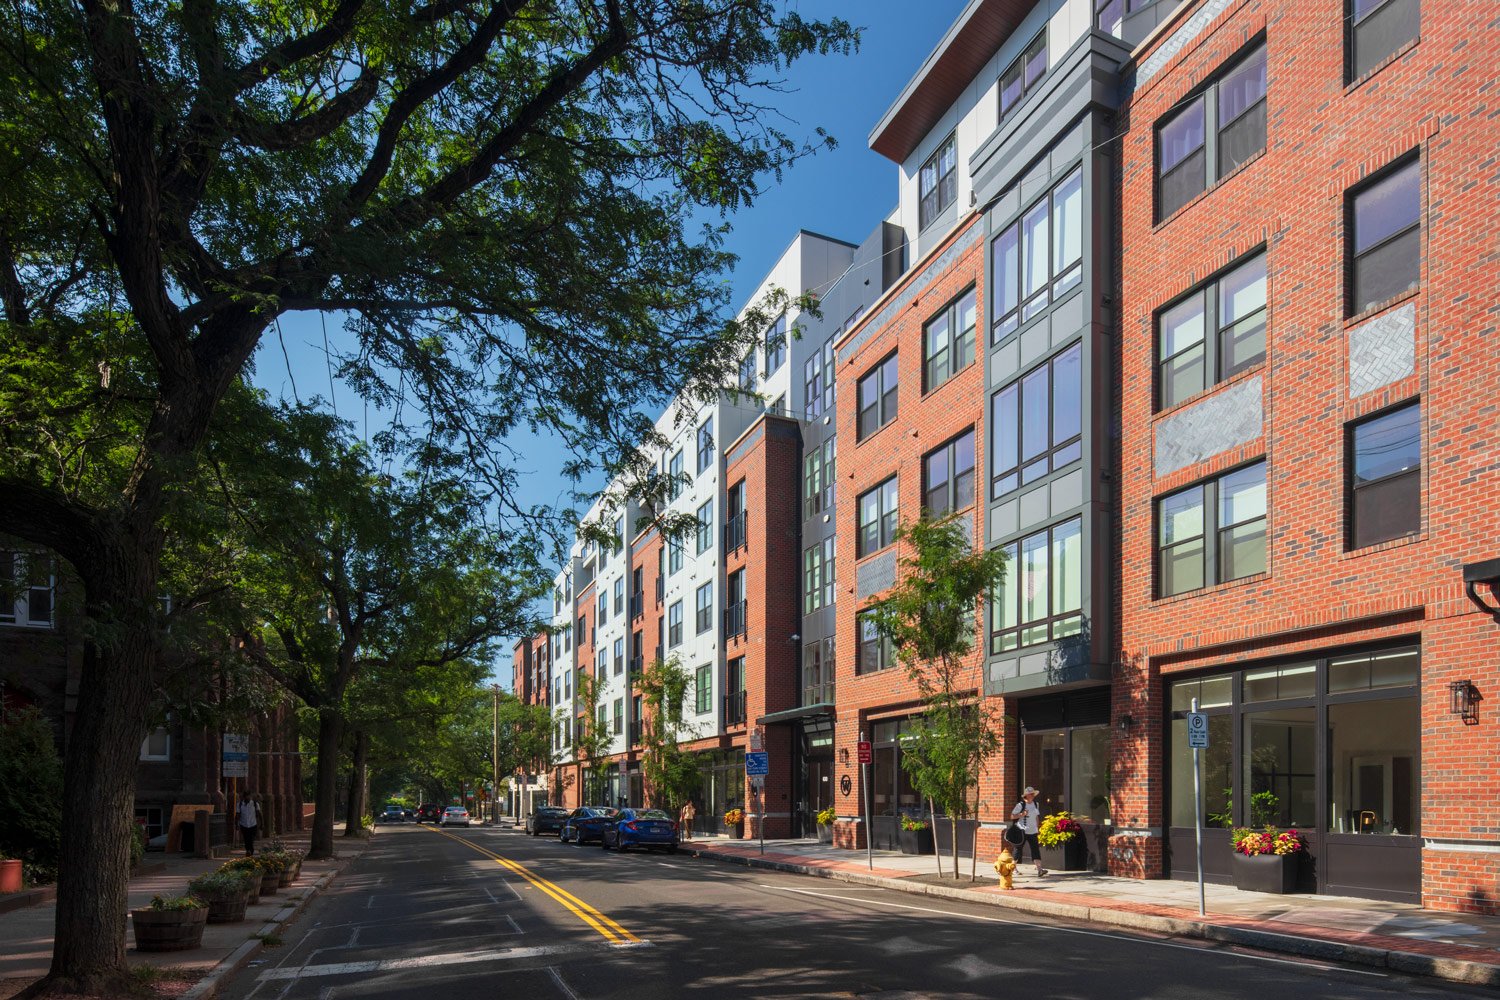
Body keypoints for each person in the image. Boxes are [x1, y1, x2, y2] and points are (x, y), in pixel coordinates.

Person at [1010, 786, 1046, 877]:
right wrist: (1022, 814)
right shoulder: (1020, 805)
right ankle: (1013, 868)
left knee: (1035, 850)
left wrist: (1038, 828)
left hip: (1033, 831)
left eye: (1033, 794)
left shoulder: (1036, 804)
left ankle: (1039, 870)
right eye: (1031, 794)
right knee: (1018, 849)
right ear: (1026, 795)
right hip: (1022, 830)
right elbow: (1012, 816)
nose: (1033, 795)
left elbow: (1037, 817)